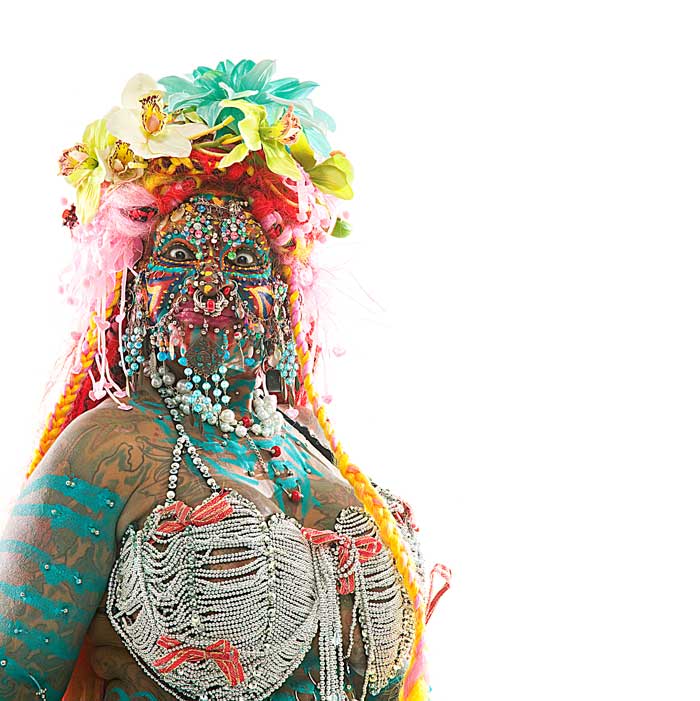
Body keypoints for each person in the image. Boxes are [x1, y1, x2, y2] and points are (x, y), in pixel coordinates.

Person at [0, 59, 450, 701]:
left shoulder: (314, 447)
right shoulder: (105, 449)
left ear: (282, 301)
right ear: (136, 295)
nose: (210, 284)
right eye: (181, 257)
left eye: (241, 260)